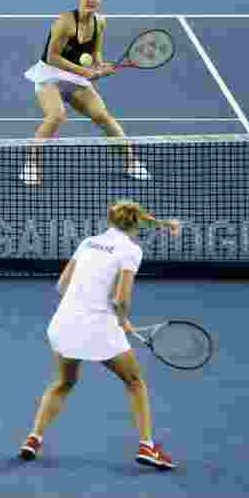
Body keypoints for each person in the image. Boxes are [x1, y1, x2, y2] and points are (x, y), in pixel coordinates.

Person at [18, 200, 181, 469]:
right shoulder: (131, 251)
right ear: (136, 222)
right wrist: (122, 321)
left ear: (110, 219)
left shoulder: (88, 243)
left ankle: (33, 439)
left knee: (63, 382)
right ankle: (147, 447)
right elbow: (121, 300)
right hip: (99, 330)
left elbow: (61, 285)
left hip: (63, 324)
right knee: (135, 382)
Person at [21, 0, 149, 186]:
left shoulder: (100, 23)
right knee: (56, 115)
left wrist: (101, 66)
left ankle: (131, 162)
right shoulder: (65, 22)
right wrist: (86, 73)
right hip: (50, 74)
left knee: (103, 116)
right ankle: (31, 164)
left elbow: (96, 54)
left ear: (100, 1)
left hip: (76, 76)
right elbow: (52, 57)